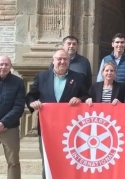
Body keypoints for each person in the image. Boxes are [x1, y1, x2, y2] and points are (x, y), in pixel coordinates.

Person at [26, 49, 89, 179]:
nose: (62, 61)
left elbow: (86, 96)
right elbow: (31, 96)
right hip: (47, 128)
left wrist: (80, 99)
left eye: (65, 59)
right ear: (53, 60)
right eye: (59, 59)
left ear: (69, 61)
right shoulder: (41, 76)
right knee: (48, 160)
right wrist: (33, 103)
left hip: (71, 129)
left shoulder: (78, 77)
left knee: (69, 161)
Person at [0, 55, 25, 179]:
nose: (3, 67)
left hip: (10, 128)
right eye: (1, 64)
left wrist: (3, 123)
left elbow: (19, 107)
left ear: (11, 67)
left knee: (13, 162)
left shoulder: (18, 82)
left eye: (6, 64)